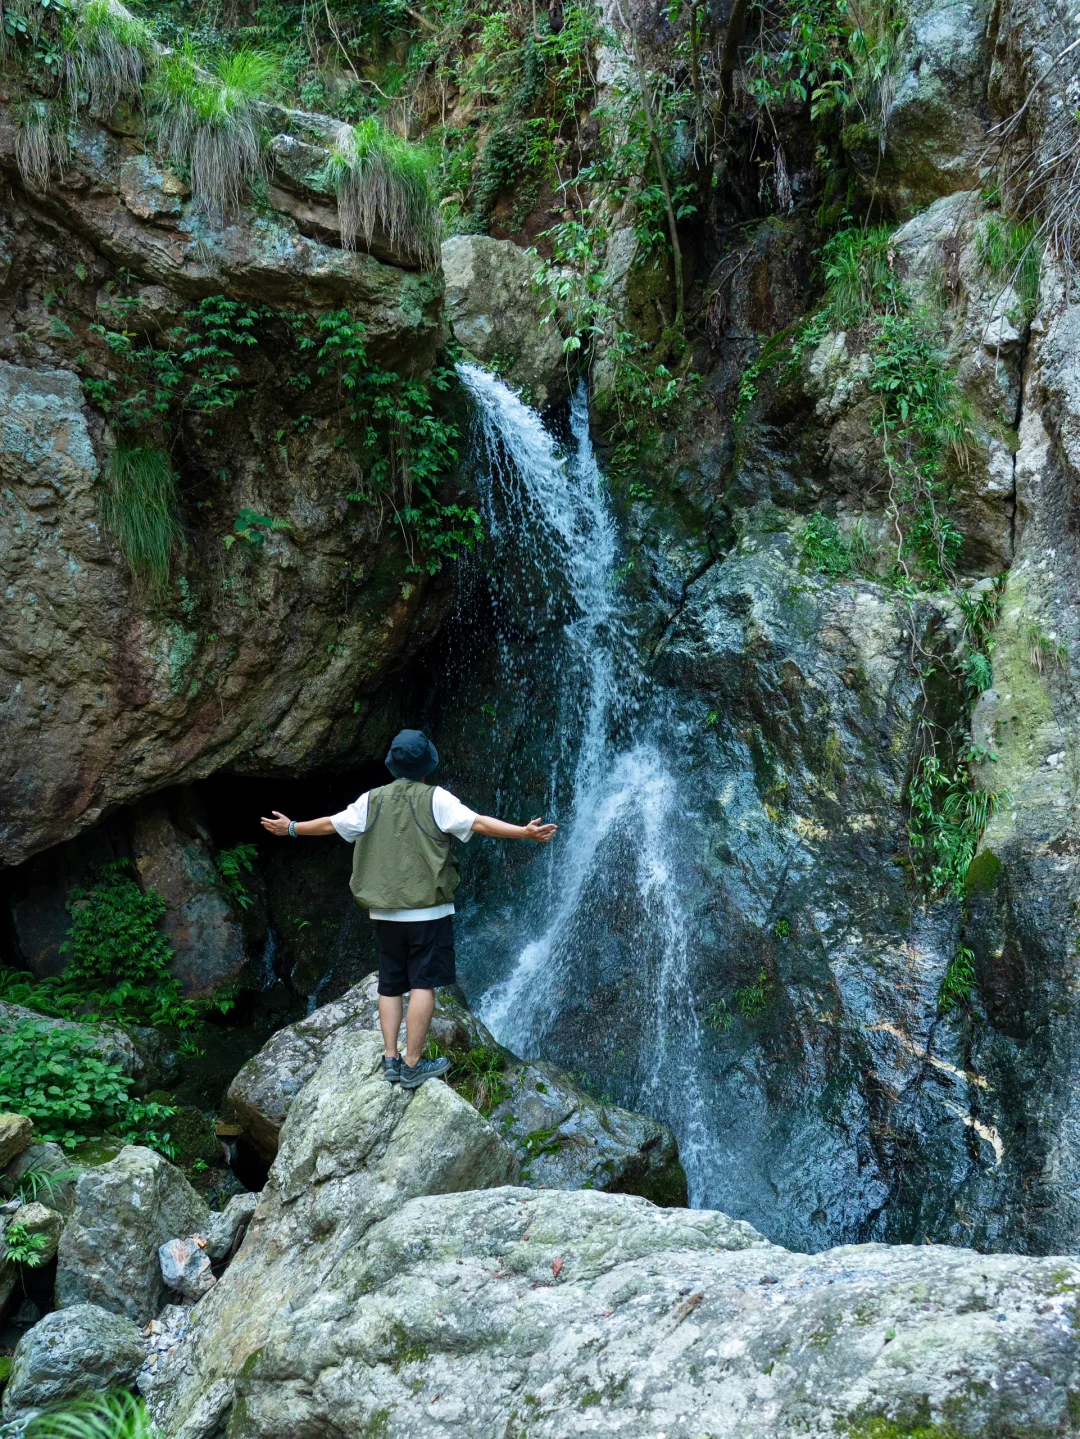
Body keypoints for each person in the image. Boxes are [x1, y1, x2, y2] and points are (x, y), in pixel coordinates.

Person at [260, 729, 557, 1089]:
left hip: (384, 913)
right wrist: (523, 832)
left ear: (393, 764)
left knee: (389, 986)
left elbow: (330, 824)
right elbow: (477, 823)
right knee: (422, 985)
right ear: (426, 765)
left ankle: (390, 1059)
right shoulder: (437, 799)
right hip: (428, 913)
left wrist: (290, 827)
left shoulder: (372, 800)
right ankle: (412, 1064)